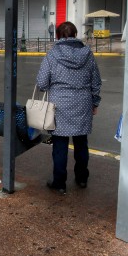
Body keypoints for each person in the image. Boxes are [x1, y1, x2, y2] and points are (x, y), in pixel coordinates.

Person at [36, 22, 101, 195]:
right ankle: (81, 178)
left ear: (57, 35)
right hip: (83, 104)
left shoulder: (52, 55)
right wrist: (95, 103)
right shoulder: (87, 54)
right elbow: (96, 82)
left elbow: (42, 83)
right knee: (81, 143)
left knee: (60, 145)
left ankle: (59, 183)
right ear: (75, 34)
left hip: (60, 106)